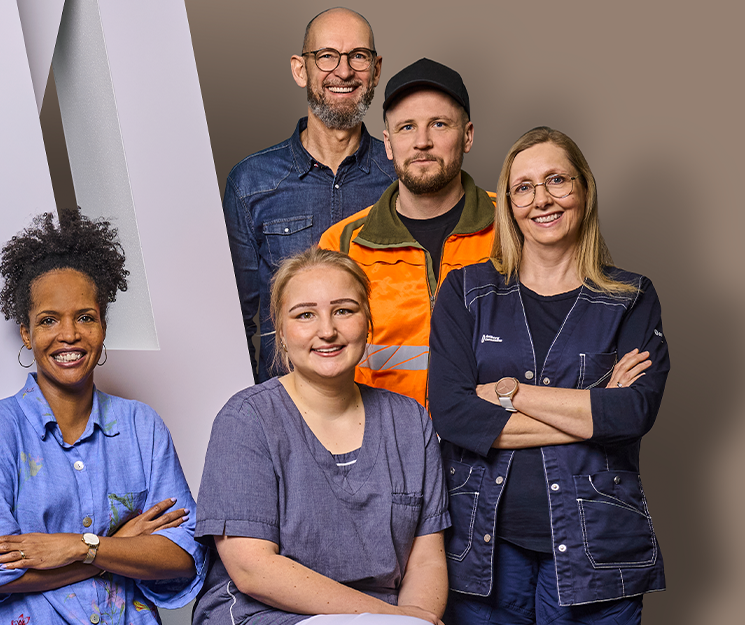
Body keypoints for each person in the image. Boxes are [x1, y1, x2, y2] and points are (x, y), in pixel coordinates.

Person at [427, 127, 668, 624]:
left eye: (557, 180)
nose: (541, 199)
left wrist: (509, 393)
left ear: (584, 189)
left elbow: (631, 413)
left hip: (598, 551)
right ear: (509, 204)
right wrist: (591, 410)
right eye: (524, 187)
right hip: (486, 550)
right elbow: (451, 413)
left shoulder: (631, 297)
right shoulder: (466, 292)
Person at [0, 211, 206, 625]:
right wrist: (116, 549)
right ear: (26, 333)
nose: (69, 334)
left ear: (103, 326)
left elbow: (183, 557)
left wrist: (79, 546)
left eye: (85, 317)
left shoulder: (142, 427)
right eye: (48, 320)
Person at [195, 248, 449, 625]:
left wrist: (416, 619)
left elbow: (426, 560)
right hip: (267, 612)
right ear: (281, 332)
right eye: (305, 315)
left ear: (368, 321)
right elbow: (252, 569)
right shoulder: (247, 420)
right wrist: (394, 619)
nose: (327, 331)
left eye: (344, 310)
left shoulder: (410, 421)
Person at [222, 7, 398, 384]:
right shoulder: (251, 183)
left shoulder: (402, 177)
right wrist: (256, 405)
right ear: (300, 69)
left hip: (383, 398)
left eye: (358, 56)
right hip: (284, 404)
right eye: (327, 56)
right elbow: (232, 323)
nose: (344, 71)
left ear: (376, 69)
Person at [313, 58, 495, 405]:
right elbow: (321, 365)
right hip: (382, 436)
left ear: (468, 136)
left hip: (495, 433)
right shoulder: (342, 243)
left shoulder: (516, 226)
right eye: (407, 127)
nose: (422, 142)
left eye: (439, 124)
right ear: (387, 143)